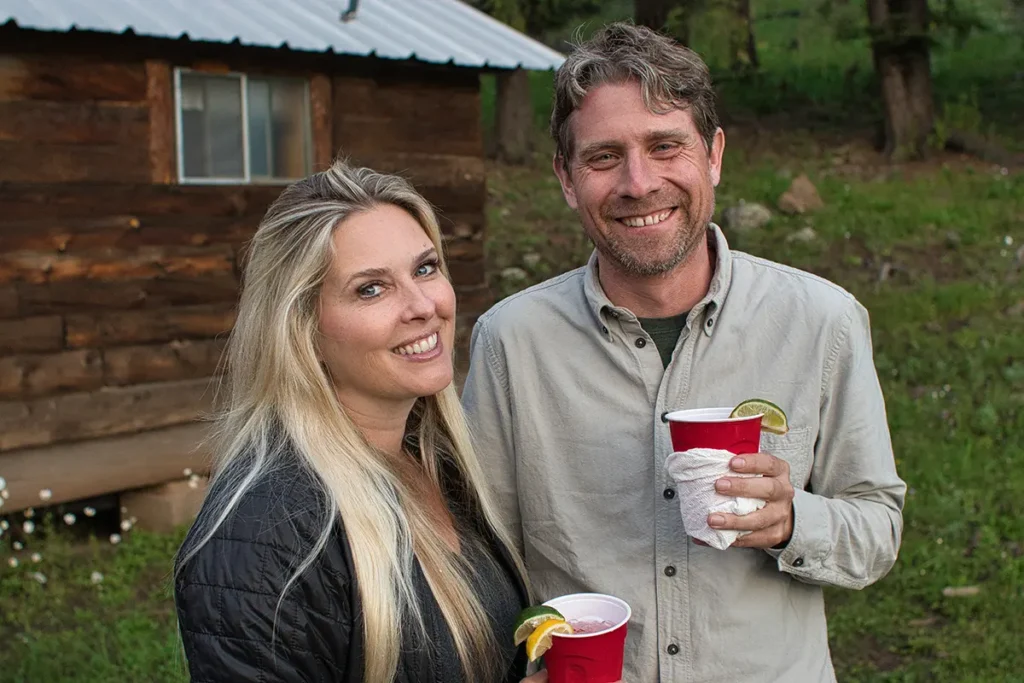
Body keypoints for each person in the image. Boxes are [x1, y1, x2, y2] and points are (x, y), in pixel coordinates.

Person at [462, 22, 907, 682]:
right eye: (604, 157)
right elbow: (477, 559)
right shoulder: (512, 343)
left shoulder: (821, 322)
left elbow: (877, 527)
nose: (639, 183)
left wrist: (794, 521)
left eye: (665, 146)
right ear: (565, 176)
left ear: (714, 155)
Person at [173, 160, 533, 682]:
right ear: (302, 330)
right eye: (371, 289)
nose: (421, 306)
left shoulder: (435, 460)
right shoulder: (267, 538)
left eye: (426, 268)